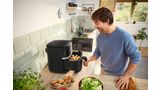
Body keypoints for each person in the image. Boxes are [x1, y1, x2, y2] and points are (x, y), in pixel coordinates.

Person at [83, 7, 141, 90]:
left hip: (119, 76)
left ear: (107, 21)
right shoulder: (100, 36)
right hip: (103, 71)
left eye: (97, 23)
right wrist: (90, 59)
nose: (95, 26)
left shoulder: (125, 36)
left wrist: (126, 76)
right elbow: (98, 51)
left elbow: (136, 57)